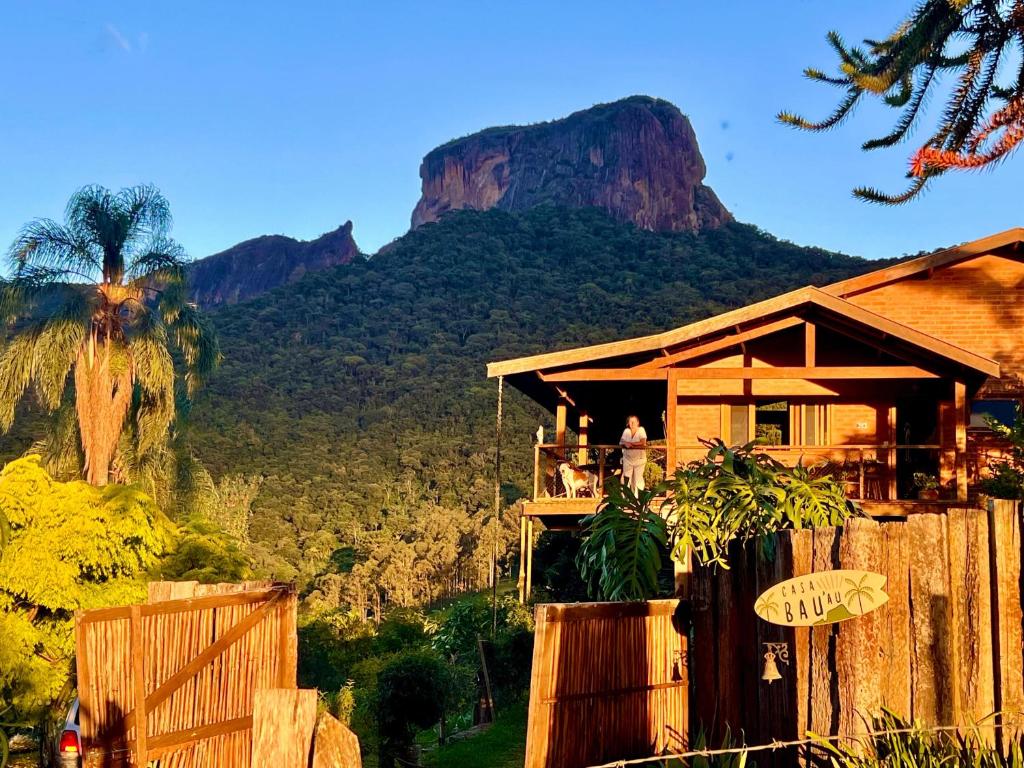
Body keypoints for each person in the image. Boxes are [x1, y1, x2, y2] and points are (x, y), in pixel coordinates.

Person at [619, 415, 647, 492]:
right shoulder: (626, 431)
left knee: (638, 479)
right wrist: (625, 443)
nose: (632, 424)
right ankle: (625, 498)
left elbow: (643, 442)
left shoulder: (641, 429)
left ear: (638, 423)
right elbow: (621, 442)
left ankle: (638, 499)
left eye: (634, 422)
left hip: (639, 459)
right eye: (630, 422)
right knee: (626, 478)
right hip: (628, 459)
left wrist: (630, 444)